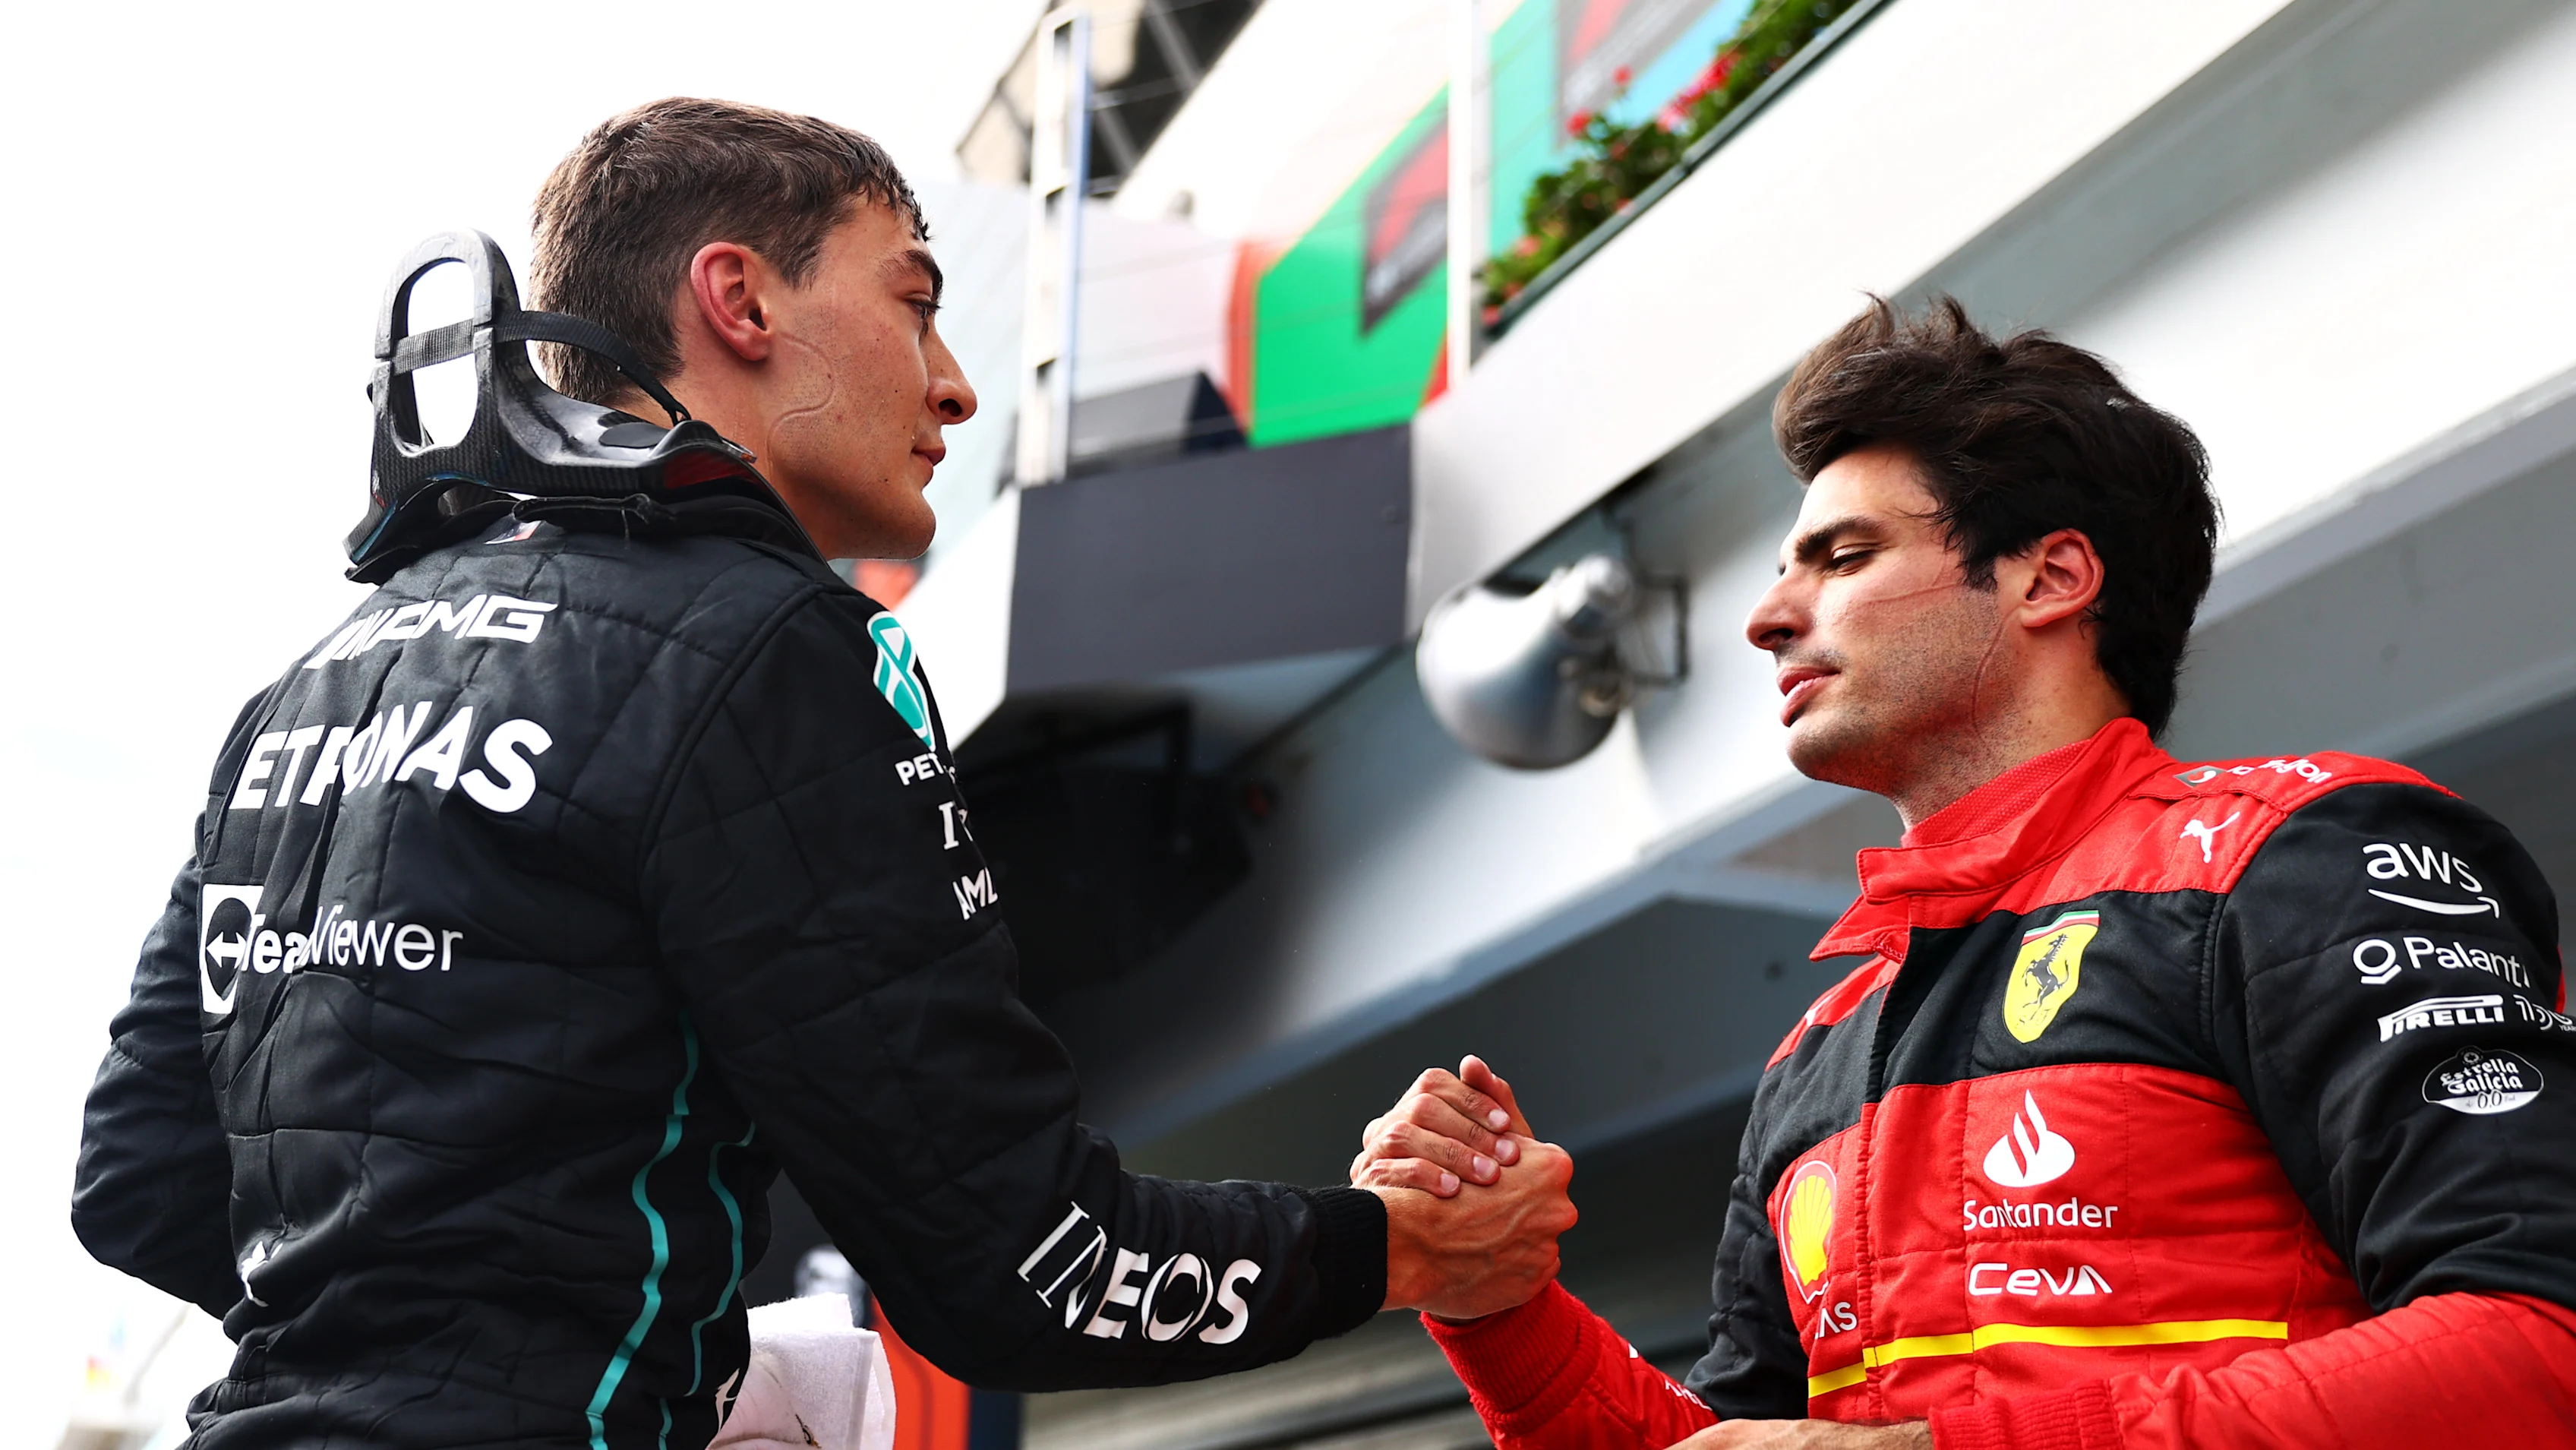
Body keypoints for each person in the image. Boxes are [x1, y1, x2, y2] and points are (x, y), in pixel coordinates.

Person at [70, 98, 1576, 1450]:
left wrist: (498, 1360)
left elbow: (134, 1179)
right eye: (913, 301)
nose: (956, 383)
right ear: (736, 298)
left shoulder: (317, 674)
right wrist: (1405, 1248)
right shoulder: (774, 644)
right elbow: (1020, 1260)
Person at [1350, 299, 2576, 1447]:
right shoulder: (1825, 1042)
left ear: (2051, 577)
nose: (1768, 616)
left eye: (1840, 555)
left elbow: (2541, 1341)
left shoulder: (2302, 854)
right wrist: (1496, 1302)